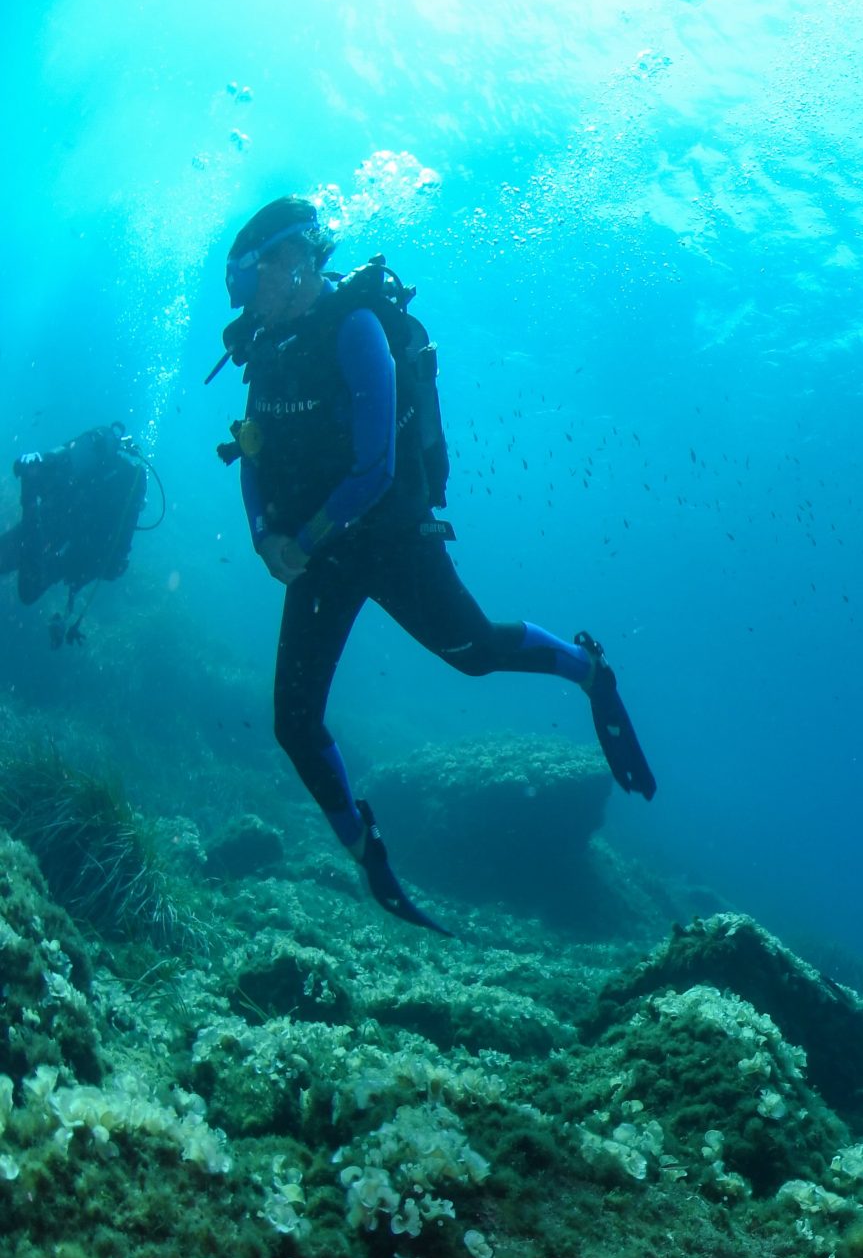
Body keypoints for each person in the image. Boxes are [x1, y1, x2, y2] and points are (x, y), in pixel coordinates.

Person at [215, 196, 655, 931]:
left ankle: (589, 670)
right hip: (318, 554)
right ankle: (366, 849)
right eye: (239, 285)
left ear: (292, 265)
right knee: (294, 723)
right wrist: (265, 537)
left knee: (475, 653)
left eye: (248, 278)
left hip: (387, 538)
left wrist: (305, 537)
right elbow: (251, 453)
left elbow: (378, 466)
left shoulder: (355, 328)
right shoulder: (268, 346)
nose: (244, 298)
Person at [3, 422, 150, 642]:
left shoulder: (100, 468)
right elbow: (112, 563)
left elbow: (60, 466)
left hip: (55, 520)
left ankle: (30, 499)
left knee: (17, 570)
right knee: (28, 590)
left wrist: (38, 470)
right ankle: (30, 500)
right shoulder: (125, 494)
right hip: (71, 545)